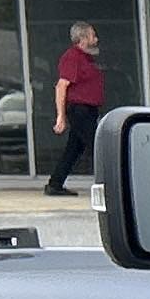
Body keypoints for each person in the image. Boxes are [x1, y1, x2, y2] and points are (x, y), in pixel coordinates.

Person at [44, 22, 110, 195]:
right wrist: (61, 116)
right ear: (82, 39)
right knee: (98, 146)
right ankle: (112, 185)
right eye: (92, 36)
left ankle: (55, 183)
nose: (96, 39)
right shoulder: (72, 57)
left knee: (74, 149)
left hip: (88, 110)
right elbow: (61, 86)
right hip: (80, 110)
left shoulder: (87, 58)